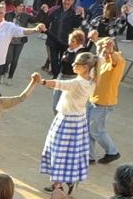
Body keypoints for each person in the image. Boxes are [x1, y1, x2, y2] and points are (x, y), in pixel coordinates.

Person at [38, 60, 92, 190]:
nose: (73, 65)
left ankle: (58, 185)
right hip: (79, 121)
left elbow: (58, 83)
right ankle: (69, 181)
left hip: (66, 120)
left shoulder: (76, 83)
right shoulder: (92, 81)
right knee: (73, 153)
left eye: (76, 64)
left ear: (85, 67)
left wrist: (42, 81)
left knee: (58, 152)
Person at [85, 34, 128, 163]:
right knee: (88, 129)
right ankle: (89, 156)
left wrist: (110, 51)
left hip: (104, 102)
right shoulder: (101, 61)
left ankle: (112, 152)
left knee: (96, 130)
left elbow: (115, 59)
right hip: (93, 100)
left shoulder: (118, 61)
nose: (100, 52)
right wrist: (95, 40)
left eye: (103, 50)